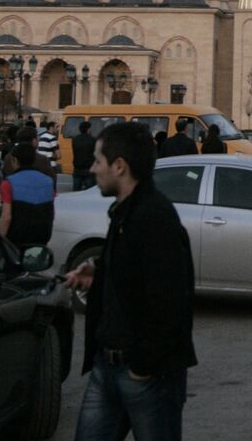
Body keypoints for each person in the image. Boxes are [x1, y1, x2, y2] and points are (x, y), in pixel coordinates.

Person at [64, 122, 197, 441]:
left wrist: (143, 365)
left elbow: (170, 299)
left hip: (144, 372)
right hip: (108, 366)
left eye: (98, 161)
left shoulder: (154, 216)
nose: (92, 169)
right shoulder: (126, 212)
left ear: (119, 166)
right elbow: (138, 270)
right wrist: (100, 270)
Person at [0, 143, 56, 247]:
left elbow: (6, 217)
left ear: (15, 160)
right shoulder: (48, 181)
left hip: (16, 238)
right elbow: (51, 212)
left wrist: (0, 241)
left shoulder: (8, 183)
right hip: (42, 236)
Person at [71, 120, 98, 191]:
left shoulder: (75, 139)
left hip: (77, 168)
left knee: (76, 190)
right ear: (88, 129)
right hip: (89, 168)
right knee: (89, 191)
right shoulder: (93, 140)